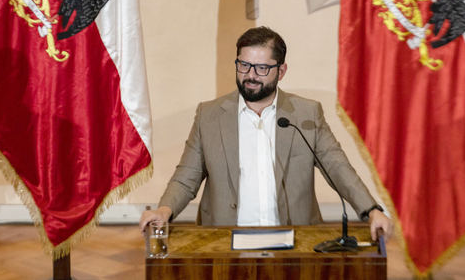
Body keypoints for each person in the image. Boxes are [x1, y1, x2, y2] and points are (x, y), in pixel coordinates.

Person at [140, 27, 392, 240]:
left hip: (294, 239)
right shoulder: (209, 115)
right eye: (244, 65)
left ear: (281, 71)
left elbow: (338, 167)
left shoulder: (306, 114)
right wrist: (164, 210)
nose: (250, 75)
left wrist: (371, 210)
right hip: (224, 240)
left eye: (261, 68)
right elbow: (187, 176)